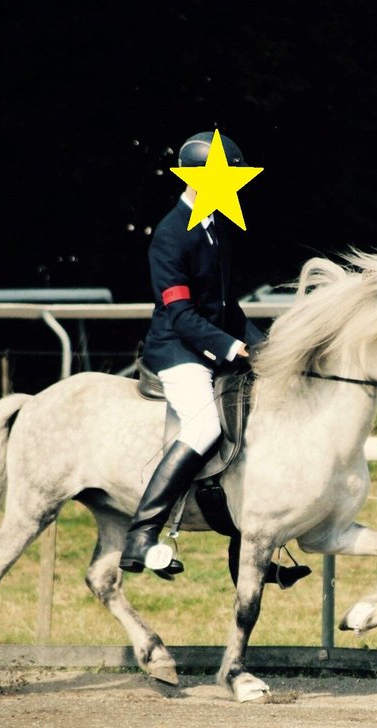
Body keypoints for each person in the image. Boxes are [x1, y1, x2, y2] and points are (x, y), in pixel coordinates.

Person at [119, 130, 266, 576]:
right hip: (177, 351)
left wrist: (266, 348)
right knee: (203, 426)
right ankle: (142, 536)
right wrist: (228, 346)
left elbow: (228, 306)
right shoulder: (169, 236)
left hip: (211, 349)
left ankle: (257, 549)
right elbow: (181, 314)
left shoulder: (216, 228)